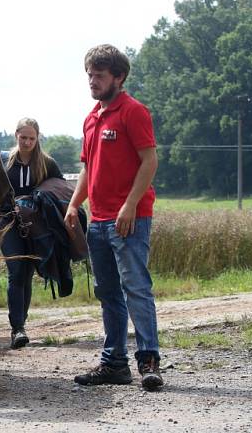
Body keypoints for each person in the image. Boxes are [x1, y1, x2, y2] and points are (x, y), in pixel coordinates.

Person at [65, 44, 162, 390]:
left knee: (135, 286)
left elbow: (149, 160)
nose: (92, 80)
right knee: (107, 292)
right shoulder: (92, 118)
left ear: (118, 78)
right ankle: (114, 363)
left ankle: (149, 360)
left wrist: (130, 204)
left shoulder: (133, 112)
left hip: (129, 218)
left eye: (100, 75)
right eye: (90, 74)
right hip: (100, 220)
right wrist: (75, 204)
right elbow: (89, 167)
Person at [0, 117, 63, 349]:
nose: (27, 142)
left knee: (27, 273)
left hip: (36, 225)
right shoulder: (4, 162)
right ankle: (16, 328)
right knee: (16, 270)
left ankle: (21, 324)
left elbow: (60, 191)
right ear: (16, 135)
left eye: (31, 138)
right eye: (23, 137)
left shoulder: (47, 163)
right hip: (7, 222)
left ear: (38, 139)